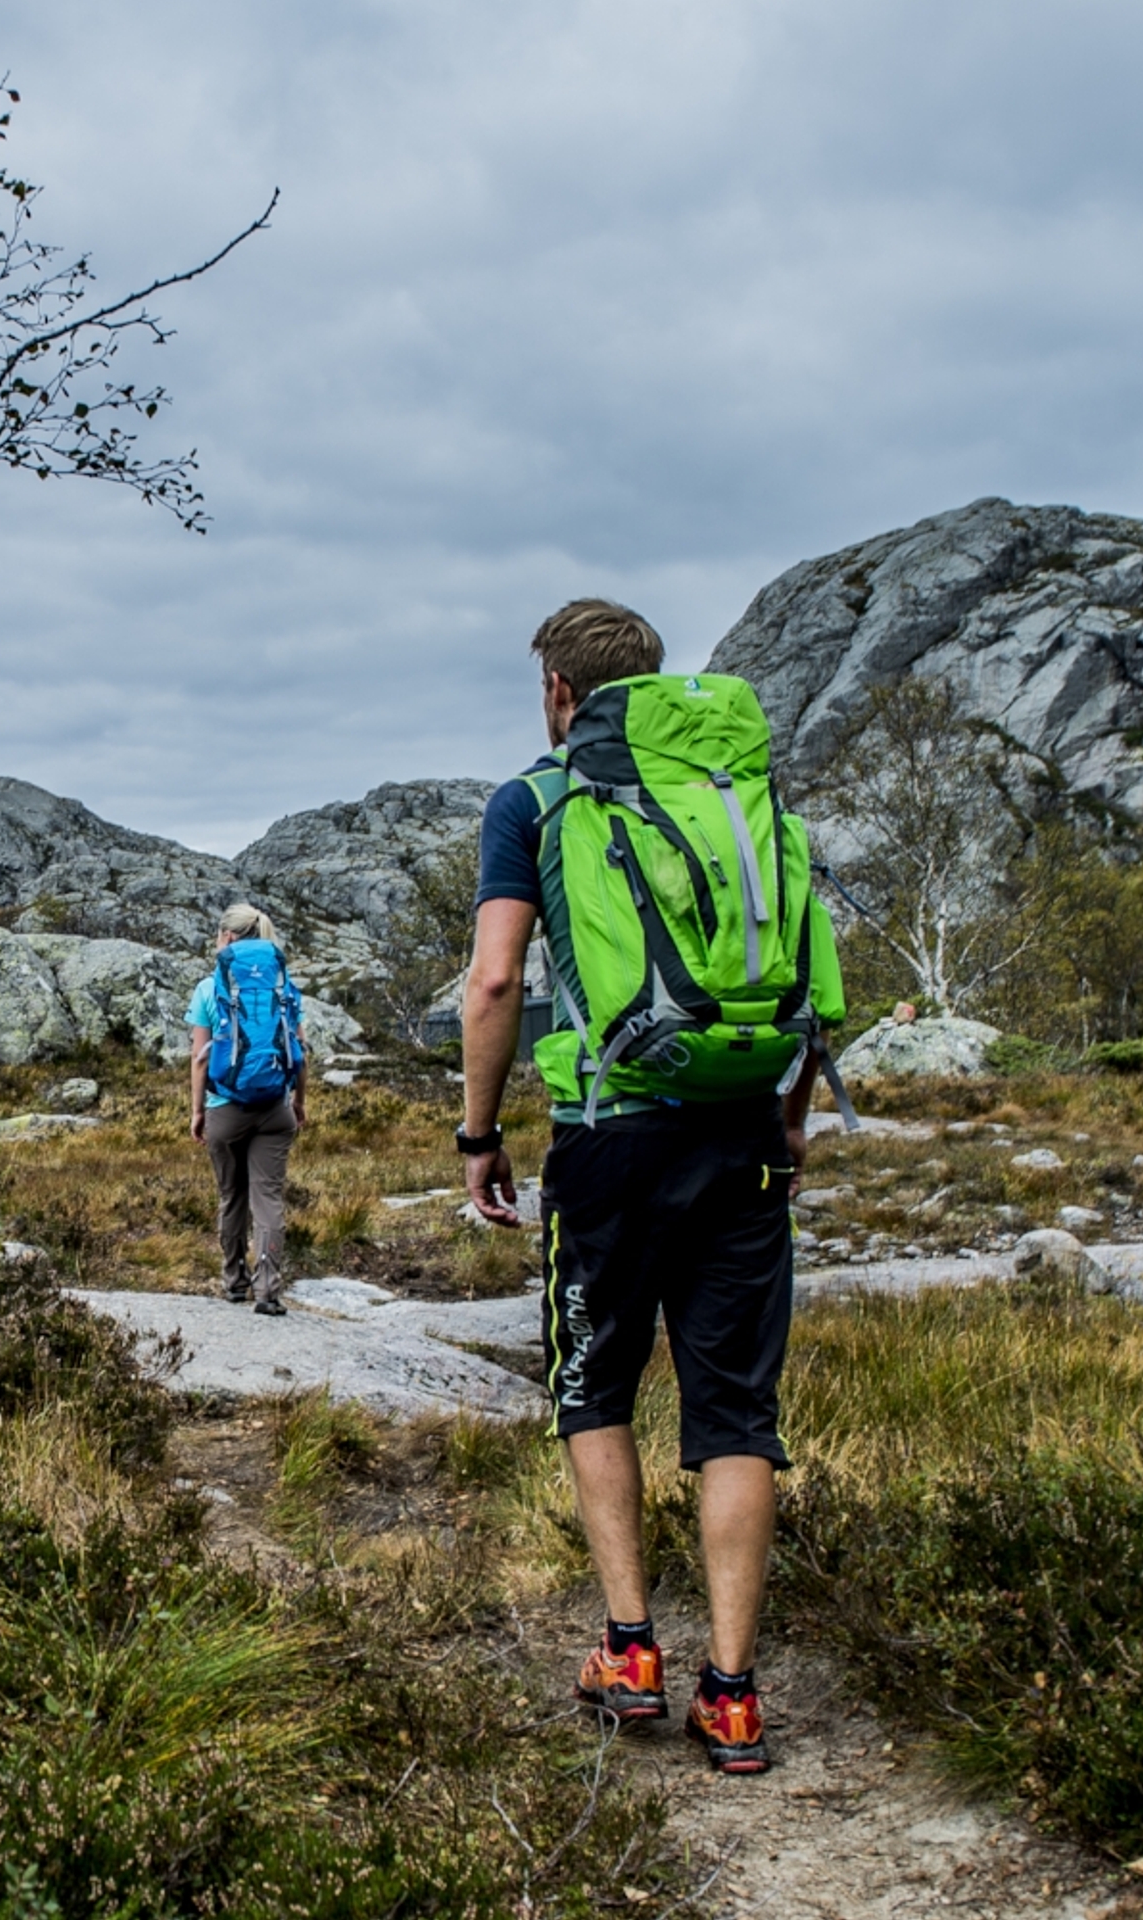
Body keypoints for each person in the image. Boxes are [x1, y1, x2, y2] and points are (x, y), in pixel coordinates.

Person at [456, 598, 830, 1778]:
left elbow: (498, 980)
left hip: (609, 1138)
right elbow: (805, 968)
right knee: (735, 1415)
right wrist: (791, 1117)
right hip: (742, 1136)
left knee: (595, 1384)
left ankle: (630, 1653)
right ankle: (732, 1696)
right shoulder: (740, 797)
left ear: (562, 692)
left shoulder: (533, 799)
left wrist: (478, 1133)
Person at [187, 903, 309, 1313]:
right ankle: (269, 1290)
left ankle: (234, 1282)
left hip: (225, 1108)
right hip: (275, 1108)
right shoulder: (284, 984)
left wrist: (198, 1111)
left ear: (226, 937)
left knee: (231, 1197)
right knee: (269, 1198)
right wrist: (298, 1101)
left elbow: (200, 1059)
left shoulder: (209, 987)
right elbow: (300, 1051)